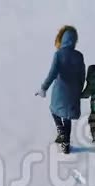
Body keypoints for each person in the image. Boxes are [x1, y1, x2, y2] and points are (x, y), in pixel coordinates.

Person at [36, 25, 85, 154]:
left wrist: (44, 88)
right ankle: (66, 144)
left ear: (62, 39)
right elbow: (82, 75)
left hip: (60, 91)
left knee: (54, 110)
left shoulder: (58, 55)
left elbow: (52, 73)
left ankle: (61, 132)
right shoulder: (79, 56)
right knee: (67, 117)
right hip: (74, 91)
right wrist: (79, 89)